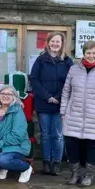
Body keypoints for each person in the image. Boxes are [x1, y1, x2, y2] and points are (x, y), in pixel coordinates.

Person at [60, 41, 95, 186]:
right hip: (73, 115)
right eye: (88, 53)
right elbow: (66, 92)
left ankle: (88, 175)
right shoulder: (73, 70)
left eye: (94, 53)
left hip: (94, 117)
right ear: (83, 54)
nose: (91, 56)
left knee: (91, 147)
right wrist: (63, 111)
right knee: (72, 146)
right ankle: (74, 174)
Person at [30, 32, 74, 175]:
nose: (55, 44)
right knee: (45, 135)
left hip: (60, 104)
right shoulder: (40, 60)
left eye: (58, 42)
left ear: (62, 44)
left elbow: (71, 82)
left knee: (58, 135)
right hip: (44, 103)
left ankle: (56, 163)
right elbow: (34, 80)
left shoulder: (67, 61)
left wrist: (59, 97)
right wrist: (48, 97)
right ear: (48, 43)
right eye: (53, 41)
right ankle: (46, 162)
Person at [0, 86, 33, 183]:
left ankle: (26, 167)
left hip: (16, 146)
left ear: (14, 97)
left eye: (9, 94)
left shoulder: (17, 112)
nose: (5, 96)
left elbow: (17, 136)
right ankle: (3, 167)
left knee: (4, 160)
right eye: (3, 93)